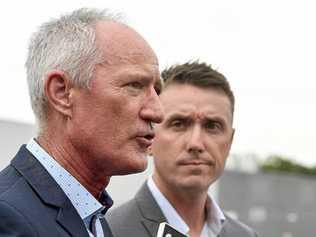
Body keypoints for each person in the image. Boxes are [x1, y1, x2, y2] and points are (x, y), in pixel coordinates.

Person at [0, 8, 163, 237]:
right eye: (134, 85)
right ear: (62, 93)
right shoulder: (8, 218)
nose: (157, 112)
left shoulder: (91, 216)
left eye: (157, 90)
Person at [107, 61, 258, 237]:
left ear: (230, 141)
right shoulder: (107, 233)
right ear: (149, 136)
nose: (196, 143)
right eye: (178, 124)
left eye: (212, 126)